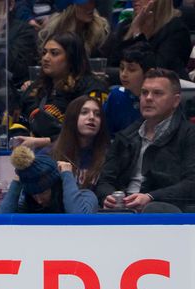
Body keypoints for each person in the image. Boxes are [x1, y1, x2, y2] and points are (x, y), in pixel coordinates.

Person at [96, 68, 195, 213]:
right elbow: (105, 180)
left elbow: (192, 183)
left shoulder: (189, 134)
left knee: (153, 209)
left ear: (176, 101)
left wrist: (150, 196)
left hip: (165, 209)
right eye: (144, 93)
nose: (148, 98)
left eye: (157, 93)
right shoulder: (126, 136)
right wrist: (108, 196)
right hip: (124, 208)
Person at [17, 32, 108, 151]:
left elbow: (91, 133)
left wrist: (45, 142)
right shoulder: (36, 87)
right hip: (34, 154)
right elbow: (20, 121)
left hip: (77, 157)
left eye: (54, 53)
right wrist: (18, 136)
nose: (45, 58)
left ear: (71, 58)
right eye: (44, 53)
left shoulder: (92, 88)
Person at [0, 145, 98, 213]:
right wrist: (17, 182)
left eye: (43, 193)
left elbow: (80, 220)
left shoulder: (86, 197)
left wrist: (67, 175)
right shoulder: (27, 203)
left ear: (55, 185)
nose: (39, 201)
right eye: (34, 195)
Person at [104, 0, 191, 79]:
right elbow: (112, 62)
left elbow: (156, 68)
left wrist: (137, 34)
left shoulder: (175, 29)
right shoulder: (126, 26)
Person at [51, 95, 110, 191]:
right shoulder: (51, 153)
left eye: (97, 114)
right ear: (72, 117)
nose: (92, 117)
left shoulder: (109, 155)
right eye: (84, 112)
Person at [103, 42, 155, 136]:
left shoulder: (159, 100)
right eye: (122, 68)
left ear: (149, 73)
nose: (123, 74)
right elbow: (105, 133)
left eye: (131, 70)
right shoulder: (116, 96)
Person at [37, 0, 110, 57]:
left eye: (92, 1)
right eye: (84, 3)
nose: (91, 7)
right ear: (70, 7)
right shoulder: (51, 34)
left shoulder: (101, 33)